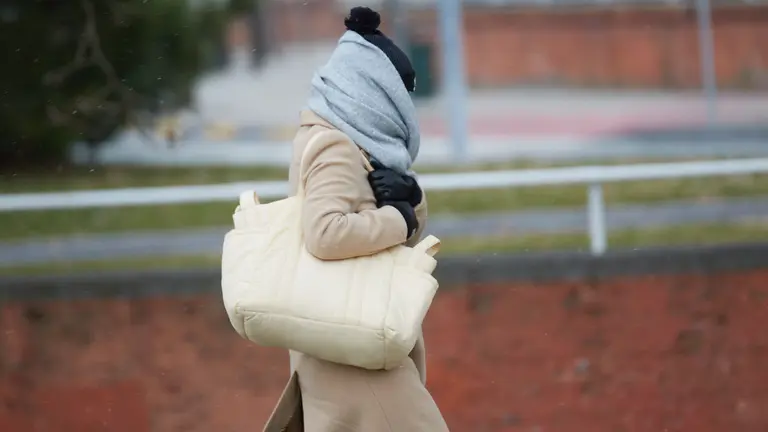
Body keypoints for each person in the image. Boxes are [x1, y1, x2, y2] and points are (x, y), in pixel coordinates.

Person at [263, 6, 449, 432]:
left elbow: (373, 220)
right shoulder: (335, 146)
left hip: (345, 344)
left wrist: (410, 202)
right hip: (352, 356)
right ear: (376, 96)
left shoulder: (341, 139)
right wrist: (399, 220)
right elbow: (325, 234)